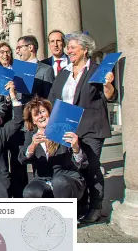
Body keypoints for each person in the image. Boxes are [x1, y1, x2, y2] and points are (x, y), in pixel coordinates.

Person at [48, 32, 117, 223]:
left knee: (92, 167)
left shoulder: (96, 70)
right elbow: (54, 97)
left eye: (72, 48)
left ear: (85, 50)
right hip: (67, 127)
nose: (68, 51)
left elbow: (109, 96)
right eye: (68, 47)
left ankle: (96, 206)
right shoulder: (65, 72)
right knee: (74, 166)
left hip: (91, 127)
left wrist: (108, 84)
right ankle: (82, 205)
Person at [19, 97, 87, 200]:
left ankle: (66, 214)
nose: (41, 116)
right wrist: (33, 145)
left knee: (59, 182)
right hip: (43, 180)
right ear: (33, 120)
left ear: (50, 113)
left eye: (43, 111)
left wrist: (75, 147)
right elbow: (22, 159)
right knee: (30, 191)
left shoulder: (64, 132)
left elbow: (82, 164)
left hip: (68, 180)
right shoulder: (31, 136)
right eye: (36, 114)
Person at [16, 35, 54, 101]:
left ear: (30, 47)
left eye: (19, 47)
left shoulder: (46, 69)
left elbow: (48, 98)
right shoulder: (17, 69)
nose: (17, 51)